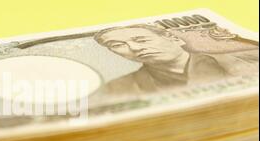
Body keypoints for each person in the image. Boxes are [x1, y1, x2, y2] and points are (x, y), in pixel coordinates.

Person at [94, 24, 259, 96]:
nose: (135, 48)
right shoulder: (117, 89)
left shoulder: (248, 61)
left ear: (174, 38)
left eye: (142, 40)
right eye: (117, 45)